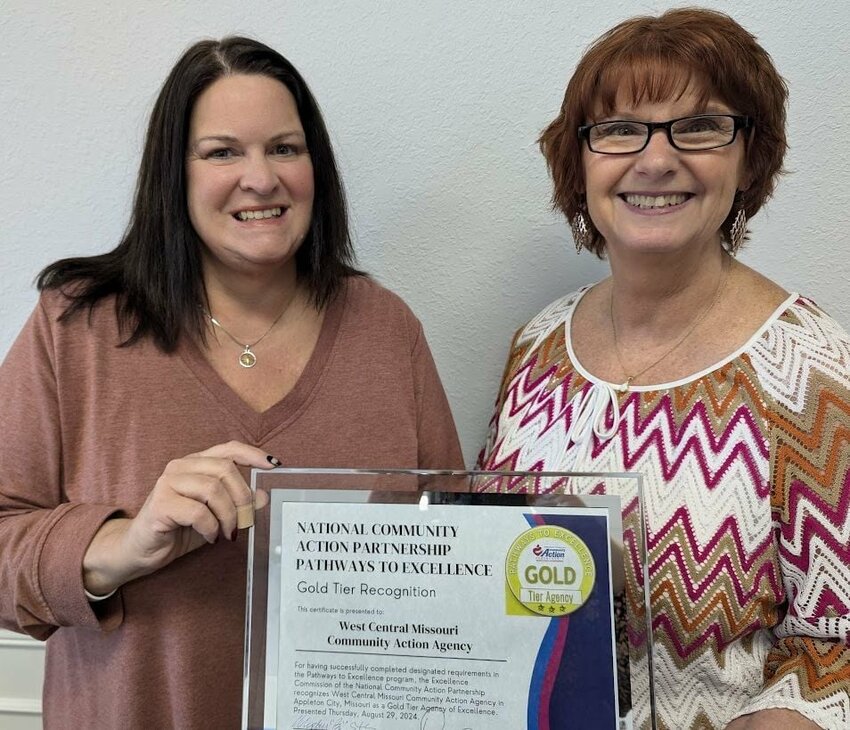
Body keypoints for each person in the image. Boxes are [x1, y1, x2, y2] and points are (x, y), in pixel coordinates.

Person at [0, 36, 463, 728]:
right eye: (222, 152)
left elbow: (455, 544)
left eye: (285, 148)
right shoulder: (78, 326)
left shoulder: (386, 330)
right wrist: (125, 542)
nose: (261, 178)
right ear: (174, 174)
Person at [478, 8, 849, 730]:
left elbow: (839, 646)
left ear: (749, 159)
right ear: (578, 162)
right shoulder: (537, 346)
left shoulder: (809, 370)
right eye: (619, 130)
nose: (654, 159)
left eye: (700, 126)